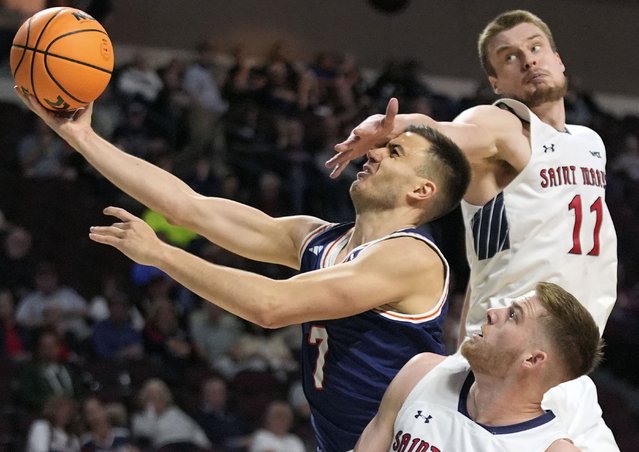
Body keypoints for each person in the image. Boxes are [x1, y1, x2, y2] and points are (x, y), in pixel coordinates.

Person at [15, 88, 471, 452]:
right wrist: (81, 136)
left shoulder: (413, 257)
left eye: (393, 153)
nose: (371, 154)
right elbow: (189, 208)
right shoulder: (318, 238)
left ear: (422, 190)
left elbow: (271, 306)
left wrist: (163, 255)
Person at [328, 9, 618, 451]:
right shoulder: (502, 127)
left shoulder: (589, 142)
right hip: (509, 361)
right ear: (495, 82)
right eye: (509, 57)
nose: (527, 60)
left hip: (563, 367)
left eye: (535, 47)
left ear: (558, 59)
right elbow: (452, 134)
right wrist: (398, 127)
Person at [355, 282, 602, 452]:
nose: (493, 312)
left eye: (513, 316)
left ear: (532, 359)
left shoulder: (550, 447)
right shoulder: (421, 372)